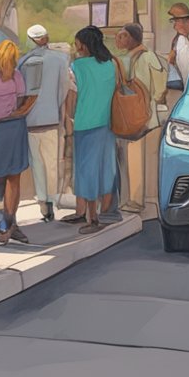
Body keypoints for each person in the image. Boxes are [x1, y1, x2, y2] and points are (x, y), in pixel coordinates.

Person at [63, 26, 118, 234]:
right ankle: (105, 213)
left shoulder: (77, 66)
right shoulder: (111, 64)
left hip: (85, 123)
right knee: (105, 169)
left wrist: (69, 118)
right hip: (107, 123)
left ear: (83, 45)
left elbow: (72, 96)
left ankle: (92, 217)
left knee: (86, 171)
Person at [0, 40, 36, 245]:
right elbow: (23, 100)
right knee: (14, 177)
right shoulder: (17, 78)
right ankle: (8, 223)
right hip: (14, 127)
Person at [18, 24, 70, 222]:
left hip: (30, 120)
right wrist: (54, 107)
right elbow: (63, 89)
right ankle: (51, 200)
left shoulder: (24, 62)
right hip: (51, 118)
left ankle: (43, 202)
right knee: (50, 162)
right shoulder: (61, 59)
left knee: (37, 163)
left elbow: (23, 93)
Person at [112, 24, 166, 215]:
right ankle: (132, 200)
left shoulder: (123, 60)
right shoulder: (145, 57)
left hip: (128, 117)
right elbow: (160, 87)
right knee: (133, 159)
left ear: (134, 38)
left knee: (129, 160)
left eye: (123, 36)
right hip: (143, 116)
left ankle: (133, 200)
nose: (119, 40)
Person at [166, 3, 189, 108]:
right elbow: (172, 58)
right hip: (183, 85)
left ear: (184, 22)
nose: (174, 25)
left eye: (175, 21)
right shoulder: (179, 38)